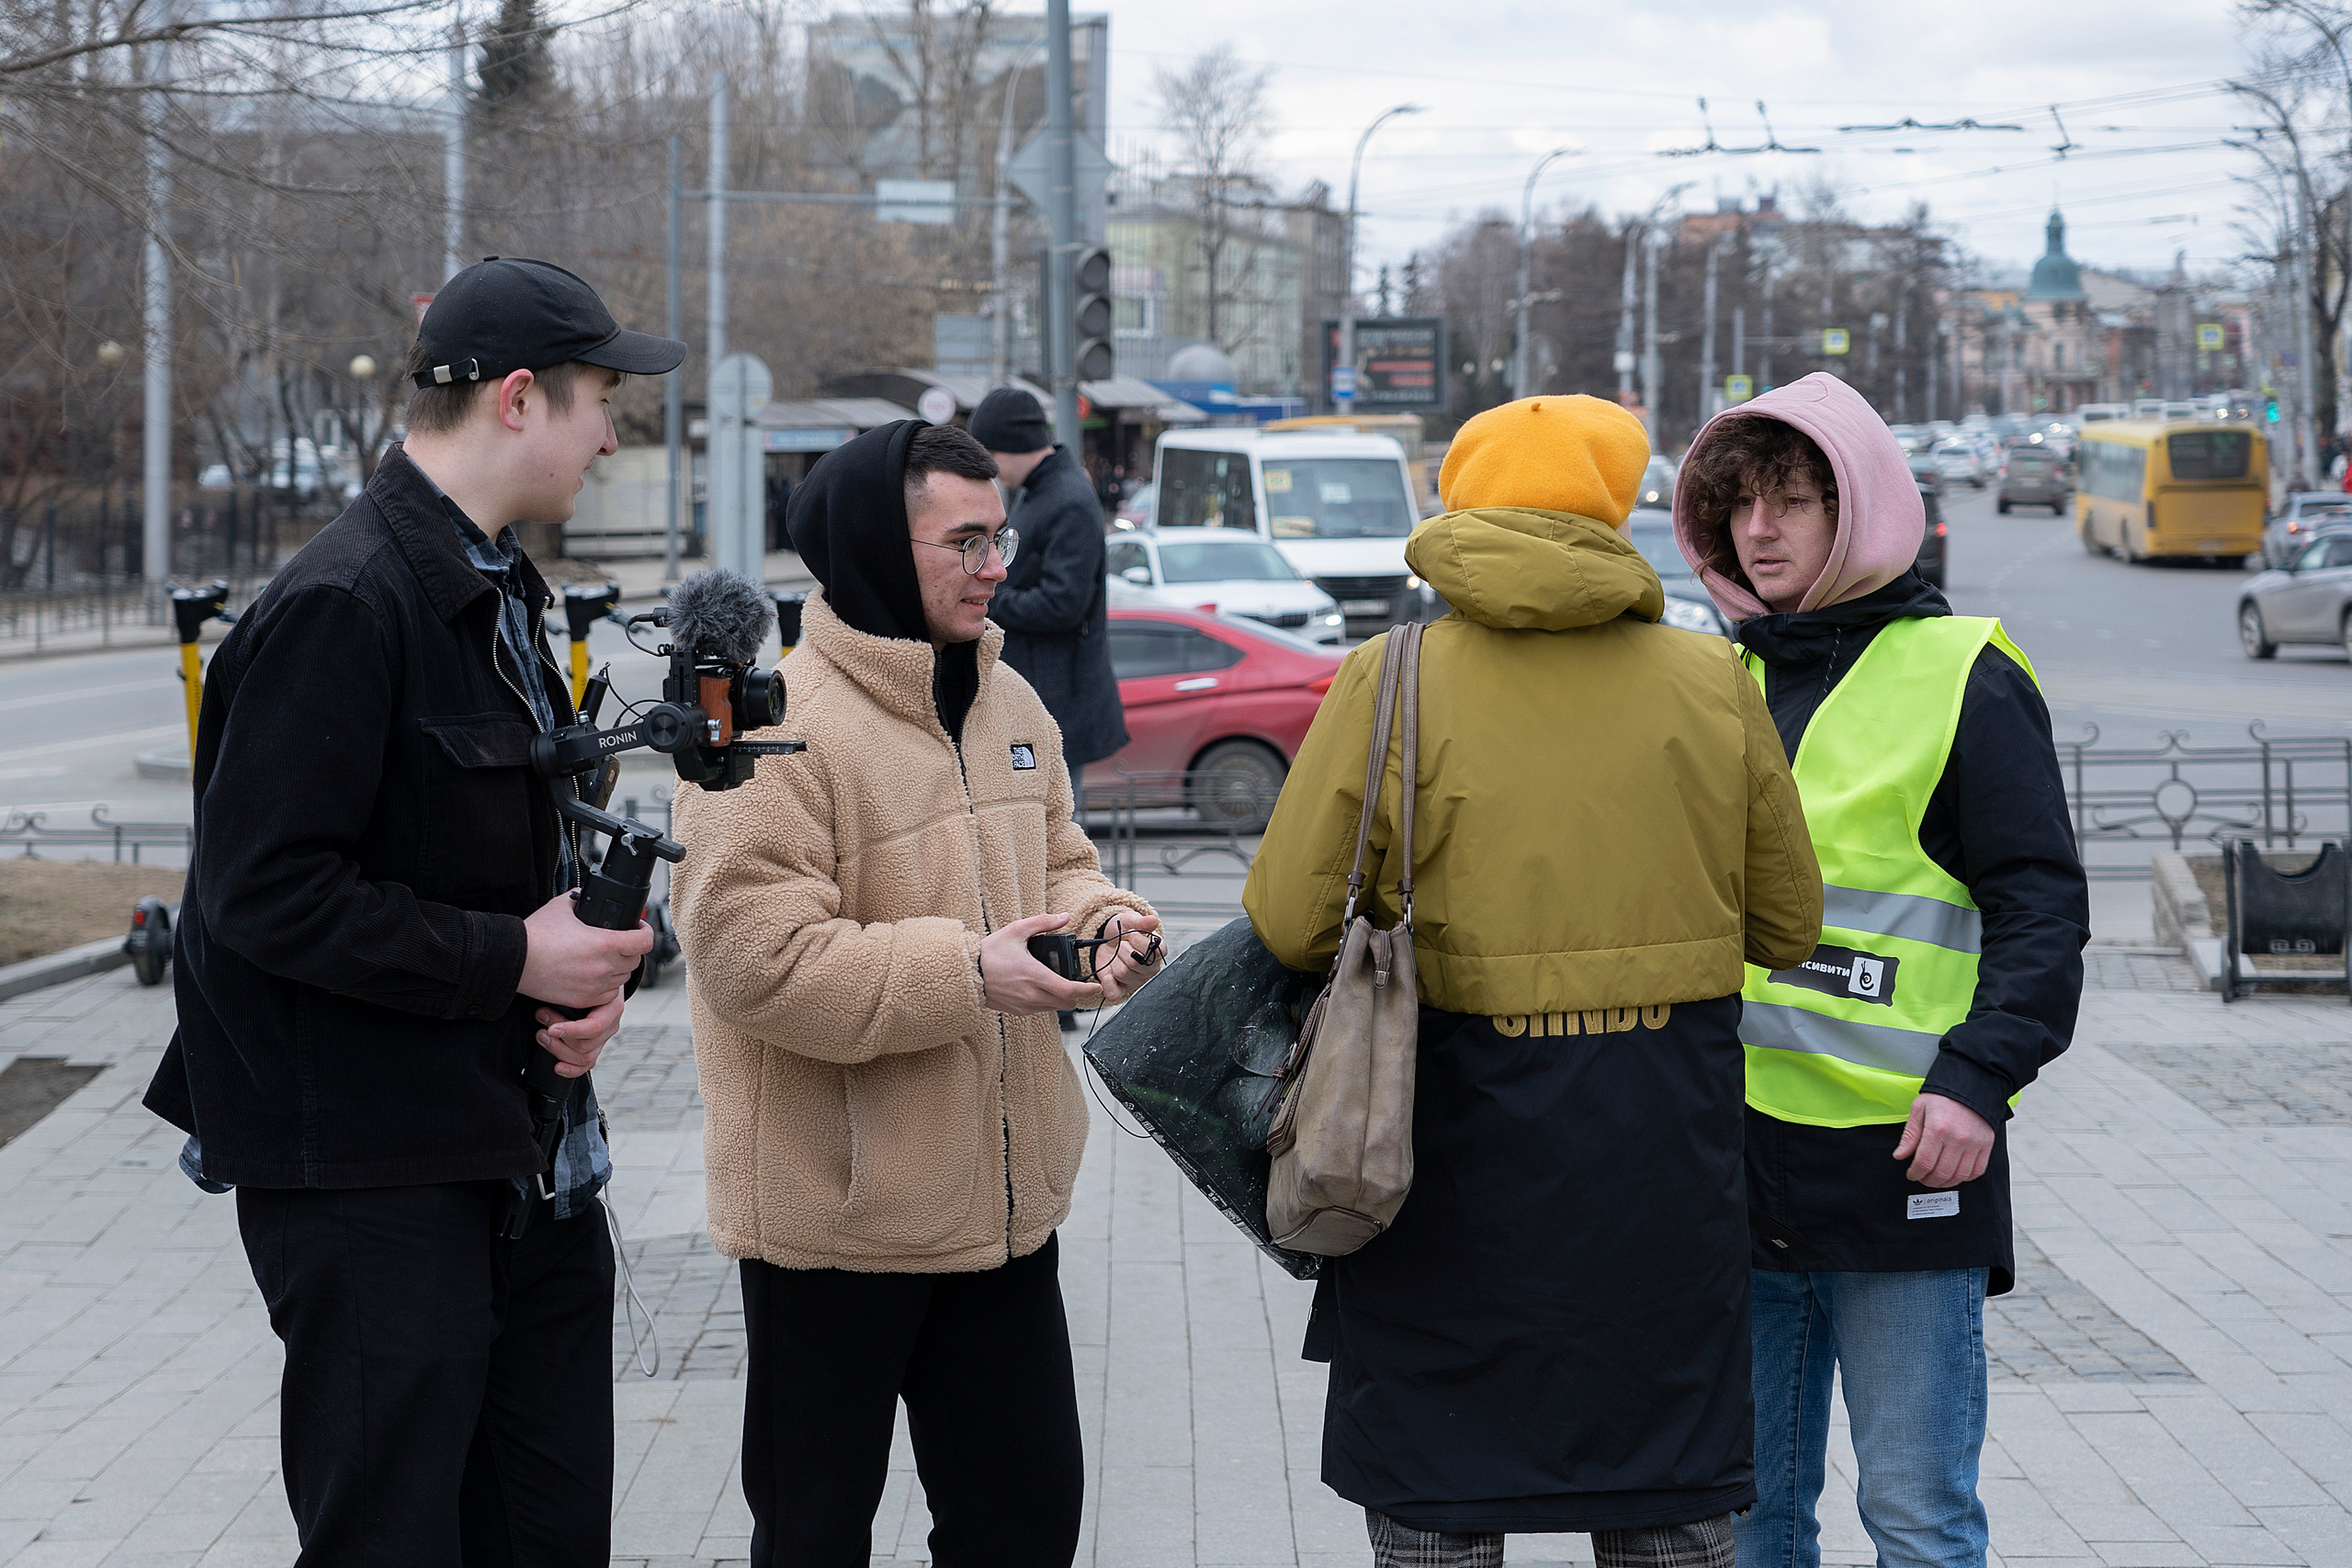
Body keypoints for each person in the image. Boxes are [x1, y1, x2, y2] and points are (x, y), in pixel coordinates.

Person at [143, 256, 677, 1564]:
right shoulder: (345, 600)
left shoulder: (496, 590)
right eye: (601, 397)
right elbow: (262, 894)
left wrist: (576, 980)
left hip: (519, 1155)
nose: (613, 432)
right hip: (374, 1181)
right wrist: (512, 958)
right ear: (516, 399)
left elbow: (482, 862)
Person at [1244, 394, 1825, 1568]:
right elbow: (1789, 924)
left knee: (1437, 1498)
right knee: (1662, 1494)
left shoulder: (1390, 675)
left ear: (1460, 500)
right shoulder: (1711, 680)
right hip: (1659, 1150)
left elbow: (1290, 921)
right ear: (1617, 506)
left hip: (1443, 1147)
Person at [670, 418, 1165, 1568]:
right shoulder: (771, 727)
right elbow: (753, 959)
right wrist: (969, 971)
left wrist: (1104, 928)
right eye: (967, 541)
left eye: (1003, 536)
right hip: (832, 1231)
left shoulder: (1010, 706)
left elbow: (1063, 867)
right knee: (815, 1539)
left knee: (1026, 1527)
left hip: (1000, 1217)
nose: (1000, 565)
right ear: (877, 552)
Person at [1671, 373, 2088, 1568]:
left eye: (1794, 500)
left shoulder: (1962, 671)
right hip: (1738, 1166)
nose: (1762, 529)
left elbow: (2043, 905)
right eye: (1740, 504)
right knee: (1752, 1518)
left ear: (1857, 510)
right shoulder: (1719, 681)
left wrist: (1977, 1077)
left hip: (1909, 1158)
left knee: (1916, 1517)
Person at [966, 388, 1128, 790]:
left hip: (1060, 698)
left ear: (1010, 445)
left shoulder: (1066, 499)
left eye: (990, 457)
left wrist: (989, 597)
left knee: (1051, 829)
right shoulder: (1038, 492)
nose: (990, 470)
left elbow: (1063, 605)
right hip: (1045, 691)